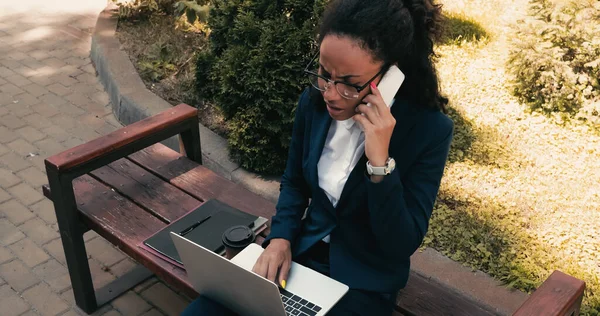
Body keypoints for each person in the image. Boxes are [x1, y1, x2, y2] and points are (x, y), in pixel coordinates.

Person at [182, 0, 452, 315]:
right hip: (301, 255)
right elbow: (295, 181)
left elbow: (400, 243)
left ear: (389, 75)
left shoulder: (429, 131)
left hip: (363, 284)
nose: (330, 93)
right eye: (324, 73)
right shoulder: (314, 102)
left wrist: (380, 163)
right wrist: (281, 238)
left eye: (350, 84)